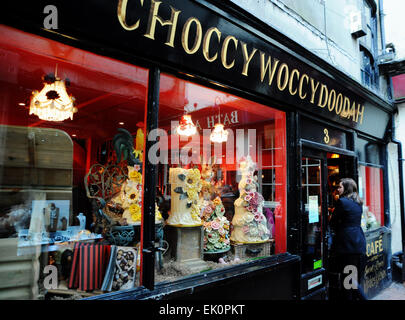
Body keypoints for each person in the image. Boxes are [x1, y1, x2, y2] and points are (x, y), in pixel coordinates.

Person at [329, 178, 367, 300]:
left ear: (347, 188)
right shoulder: (357, 202)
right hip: (358, 242)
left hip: (347, 244)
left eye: (340, 187)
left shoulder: (342, 202)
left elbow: (333, 222)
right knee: (350, 278)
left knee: (349, 279)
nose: (338, 189)